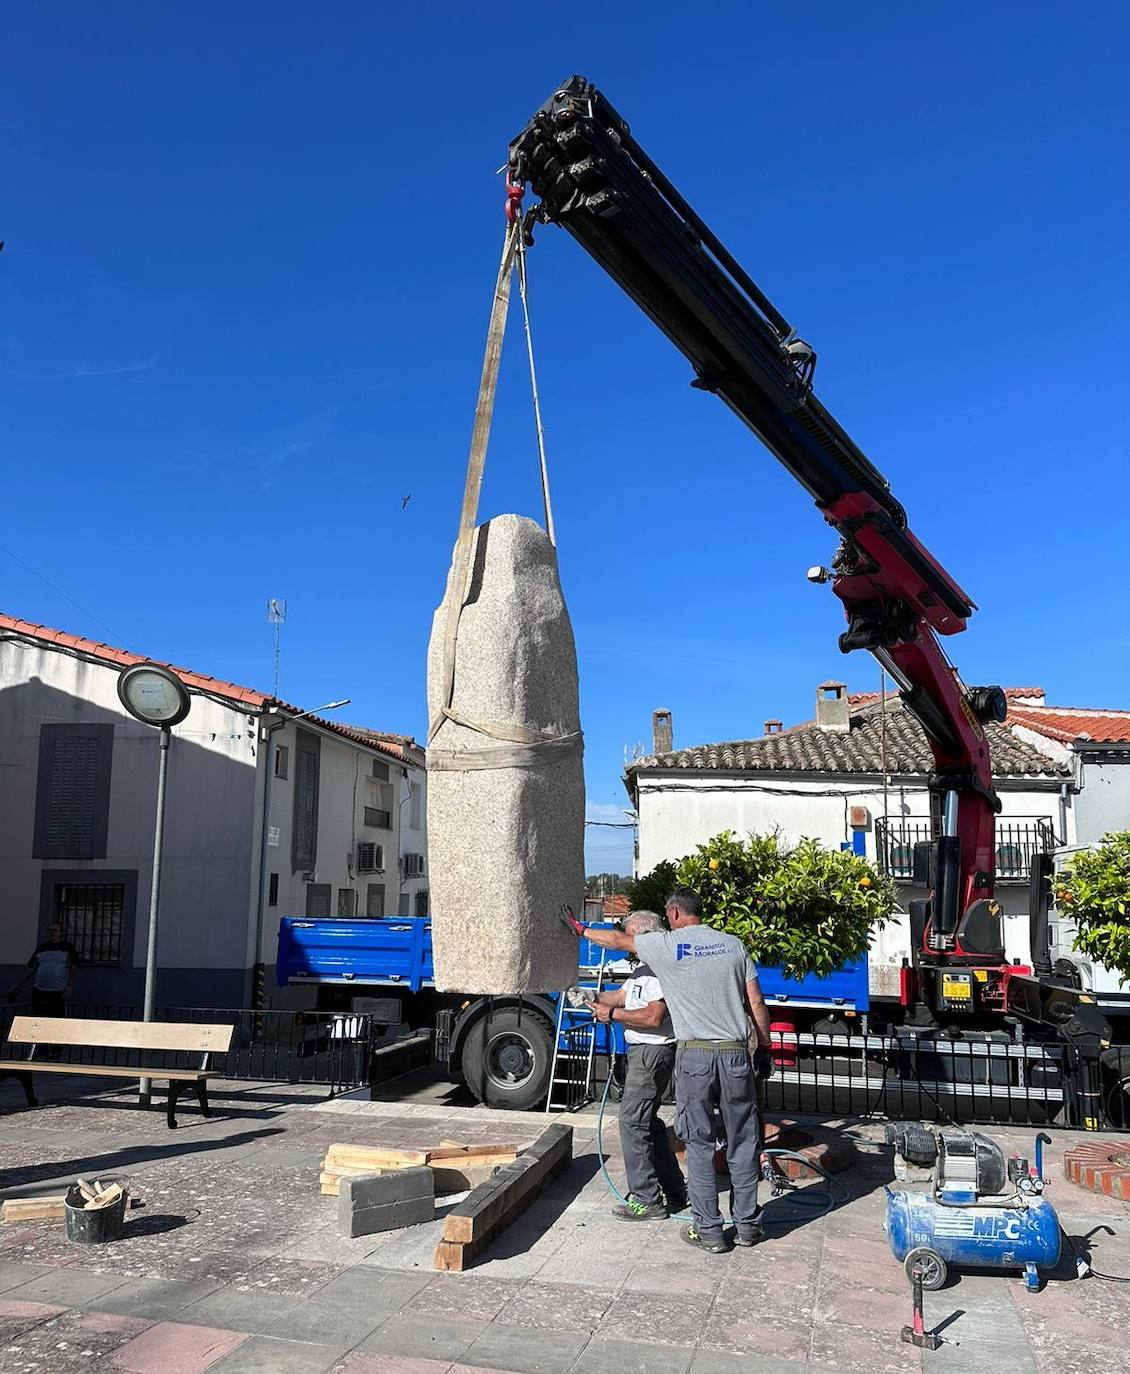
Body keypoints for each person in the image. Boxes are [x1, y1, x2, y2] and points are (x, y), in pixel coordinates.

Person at [565, 885, 773, 1254]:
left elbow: (617, 940)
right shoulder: (733, 945)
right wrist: (765, 1047)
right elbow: (755, 1002)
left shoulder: (669, 946)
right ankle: (747, 1226)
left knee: (699, 1141)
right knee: (743, 1139)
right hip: (735, 1053)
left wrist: (580, 930)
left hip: (695, 1056)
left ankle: (708, 1231)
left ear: (675, 914)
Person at [588, 909, 687, 1221]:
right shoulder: (643, 969)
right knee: (649, 1122)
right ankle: (674, 1189)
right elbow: (622, 996)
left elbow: (653, 1017)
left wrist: (612, 1016)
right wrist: (592, 996)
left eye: (630, 936)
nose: (627, 943)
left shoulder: (662, 969)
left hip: (651, 1053)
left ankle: (647, 1199)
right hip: (644, 1053)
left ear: (646, 936)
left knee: (632, 1122)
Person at [7, 923, 80, 1015]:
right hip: (40, 991)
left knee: (56, 1019)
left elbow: (74, 967)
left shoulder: (68, 947)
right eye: (49, 930)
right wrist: (18, 984)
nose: (51, 932)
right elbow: (30, 968)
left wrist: (70, 986)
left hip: (58, 991)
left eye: (55, 930)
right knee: (39, 1017)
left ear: (61, 933)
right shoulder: (41, 948)